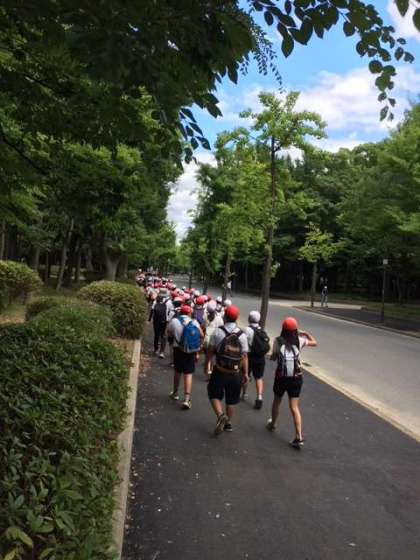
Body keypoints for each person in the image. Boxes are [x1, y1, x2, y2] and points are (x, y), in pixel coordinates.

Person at [267, 316, 317, 449]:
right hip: (296, 377)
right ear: (295, 329)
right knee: (294, 407)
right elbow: (315, 342)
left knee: (277, 401)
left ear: (283, 329)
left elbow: (273, 357)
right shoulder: (300, 340)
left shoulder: (278, 341)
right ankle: (298, 436)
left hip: (281, 377)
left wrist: (275, 356)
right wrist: (306, 333)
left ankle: (273, 424)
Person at [205, 305, 249, 435]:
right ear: (236, 318)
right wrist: (246, 373)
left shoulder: (218, 332)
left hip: (220, 370)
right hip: (235, 373)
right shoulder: (242, 335)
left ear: (225, 317)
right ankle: (228, 423)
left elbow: (210, 351)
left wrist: (206, 365)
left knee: (213, 393)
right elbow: (244, 356)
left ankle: (220, 415)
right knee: (231, 399)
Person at [167, 304, 204, 410]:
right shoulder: (194, 322)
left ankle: (175, 393)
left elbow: (168, 333)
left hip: (178, 349)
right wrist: (198, 348)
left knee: (177, 371)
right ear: (189, 313)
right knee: (188, 374)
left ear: (180, 312)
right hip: (191, 351)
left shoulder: (174, 321)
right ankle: (187, 399)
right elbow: (201, 335)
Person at [244, 311, 270, 409]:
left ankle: (244, 393)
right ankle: (259, 396)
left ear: (249, 319)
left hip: (249, 357)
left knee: (246, 375)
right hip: (260, 358)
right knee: (258, 378)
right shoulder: (261, 330)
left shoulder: (247, 330)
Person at [202, 300, 224, 378]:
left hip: (207, 340)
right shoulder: (219, 319)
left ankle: (208, 372)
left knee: (208, 356)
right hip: (215, 341)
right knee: (213, 357)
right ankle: (211, 371)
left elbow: (203, 327)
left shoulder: (205, 317)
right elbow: (221, 329)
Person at [148, 288, 172, 358]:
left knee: (156, 335)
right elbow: (170, 312)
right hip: (164, 321)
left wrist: (149, 319)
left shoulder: (156, 300)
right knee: (163, 336)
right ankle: (162, 352)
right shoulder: (169, 302)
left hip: (156, 321)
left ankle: (156, 350)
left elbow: (152, 310)